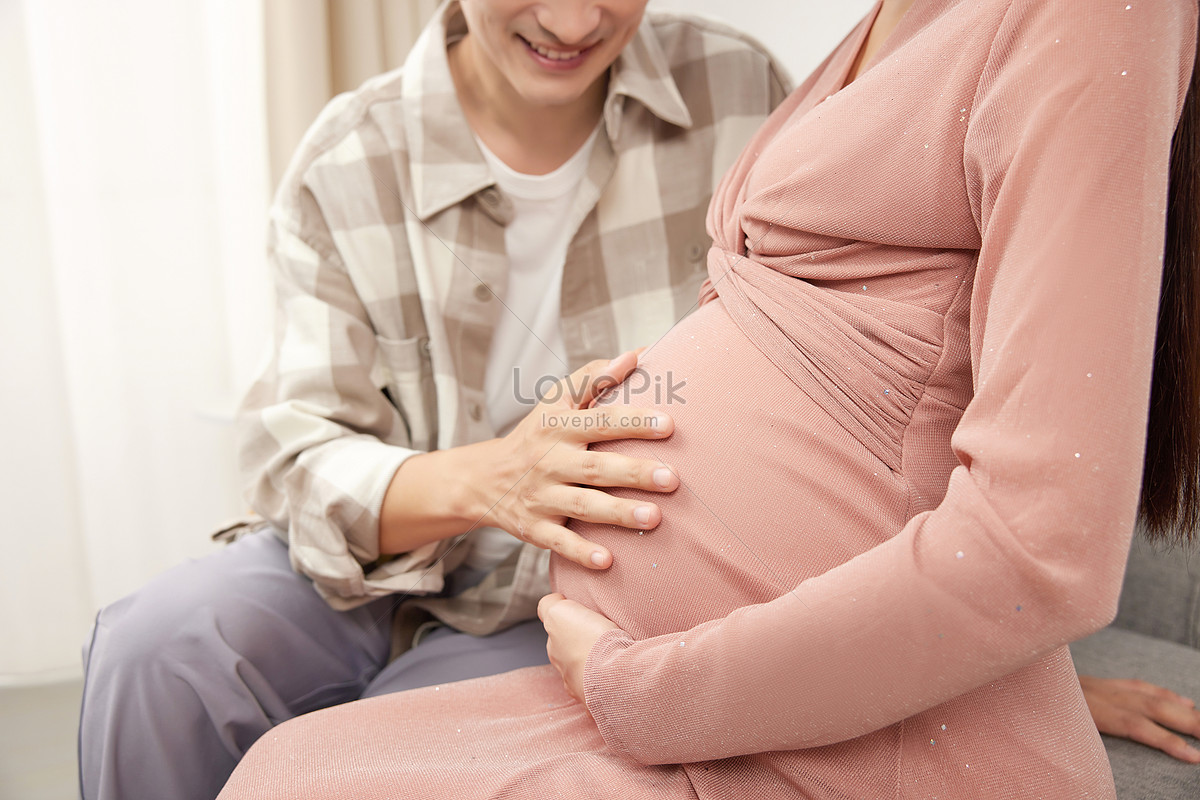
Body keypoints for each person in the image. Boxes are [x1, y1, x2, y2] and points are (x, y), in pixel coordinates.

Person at [216, 0, 1200, 797]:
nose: (569, 18)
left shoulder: (1089, 15)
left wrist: (646, 687)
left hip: (799, 730)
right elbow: (289, 447)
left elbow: (1040, 549)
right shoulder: (890, 22)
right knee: (275, 763)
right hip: (659, 666)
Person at [76, 2, 788, 799]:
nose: (574, 19)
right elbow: (299, 456)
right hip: (363, 562)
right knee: (156, 651)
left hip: (573, 587)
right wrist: (493, 481)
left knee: (370, 754)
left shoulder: (738, 91)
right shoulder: (348, 158)